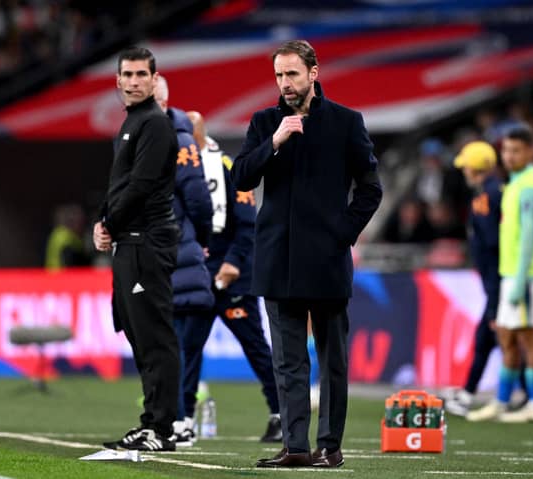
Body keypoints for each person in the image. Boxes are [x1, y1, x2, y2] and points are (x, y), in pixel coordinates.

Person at [231, 40, 382, 468]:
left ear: (313, 73)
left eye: (292, 74)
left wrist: (342, 234)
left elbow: (371, 189)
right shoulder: (264, 123)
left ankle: (330, 447)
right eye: (279, 75)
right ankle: (296, 446)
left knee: (333, 359)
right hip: (278, 259)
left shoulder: (347, 123)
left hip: (327, 260)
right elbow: (241, 177)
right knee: (288, 360)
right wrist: (274, 142)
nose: (285, 83)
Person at [171, 109, 283, 443]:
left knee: (255, 347)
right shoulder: (176, 171)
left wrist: (232, 263)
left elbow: (248, 222)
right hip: (197, 275)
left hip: (234, 276)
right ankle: (183, 419)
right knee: (187, 348)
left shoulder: (227, 167)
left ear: (199, 134)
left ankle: (281, 413)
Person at [94, 46, 180, 452]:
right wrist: (102, 221)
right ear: (117, 80)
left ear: (153, 79)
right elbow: (120, 184)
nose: (132, 81)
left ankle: (161, 429)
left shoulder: (155, 124)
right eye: (126, 75)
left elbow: (142, 185)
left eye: (140, 75)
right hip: (130, 243)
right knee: (139, 335)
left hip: (147, 242)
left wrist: (110, 222)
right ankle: (151, 422)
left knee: (155, 336)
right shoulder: (132, 123)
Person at [466, 125, 533, 423]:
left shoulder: (530, 183)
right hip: (510, 273)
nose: (510, 155)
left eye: (516, 150)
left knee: (530, 337)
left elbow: (530, 235)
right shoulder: (514, 183)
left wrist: (519, 279)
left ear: (532, 151)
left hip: (527, 274)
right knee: (505, 336)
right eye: (506, 150)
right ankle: (503, 401)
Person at [153, 78, 215, 445]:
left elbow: (199, 201)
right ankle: (172, 418)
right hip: (165, 253)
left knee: (171, 344)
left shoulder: (179, 142)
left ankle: (175, 419)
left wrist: (201, 242)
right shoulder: (143, 138)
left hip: (173, 256)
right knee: (170, 344)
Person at [445, 142, 503, 416]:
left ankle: (470, 393)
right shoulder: (492, 192)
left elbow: (492, 241)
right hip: (496, 276)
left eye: (466, 165)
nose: (464, 170)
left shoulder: (486, 196)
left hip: (497, 277)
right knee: (497, 338)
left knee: (494, 337)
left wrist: (494, 280)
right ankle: (471, 392)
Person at [45, 203, 90, 269]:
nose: (81, 225)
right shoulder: (65, 236)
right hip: (62, 276)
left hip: (55, 275)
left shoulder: (58, 234)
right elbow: (70, 260)